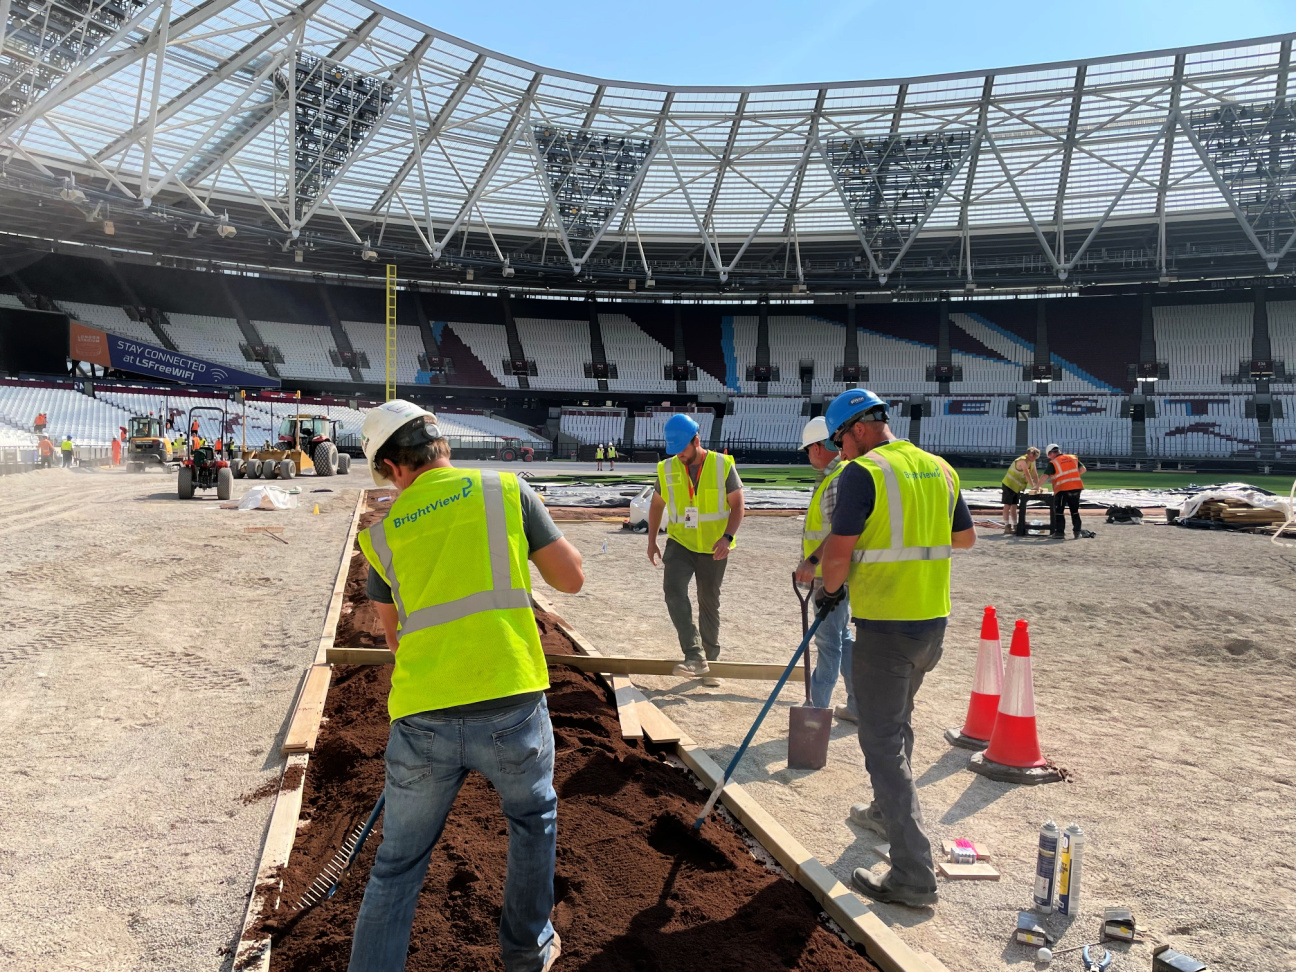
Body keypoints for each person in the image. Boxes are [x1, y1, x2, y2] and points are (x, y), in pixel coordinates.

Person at [348, 400, 584, 972]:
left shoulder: (382, 539)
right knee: (532, 823)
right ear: (441, 447)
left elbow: (396, 642)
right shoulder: (505, 490)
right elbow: (570, 580)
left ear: (390, 469)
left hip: (424, 716)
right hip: (511, 704)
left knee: (398, 863)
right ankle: (526, 951)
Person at [818, 389, 976, 909]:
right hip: (932, 624)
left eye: (840, 437)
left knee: (881, 745)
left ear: (859, 428)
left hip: (886, 628)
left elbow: (837, 558)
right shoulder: (940, 468)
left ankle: (912, 873)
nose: (839, 448)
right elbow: (964, 539)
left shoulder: (863, 473)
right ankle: (886, 814)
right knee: (898, 722)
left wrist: (832, 588)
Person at [646, 413, 744, 687]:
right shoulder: (666, 468)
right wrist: (651, 540)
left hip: (714, 546)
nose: (679, 455)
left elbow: (737, 505)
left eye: (683, 449)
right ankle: (694, 654)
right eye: (674, 450)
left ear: (697, 440)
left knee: (708, 602)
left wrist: (727, 537)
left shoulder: (722, 465)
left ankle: (710, 663)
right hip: (680, 543)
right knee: (673, 592)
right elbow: (656, 505)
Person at [793, 416, 857, 723]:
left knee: (827, 642)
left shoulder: (837, 480)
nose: (808, 457)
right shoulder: (835, 477)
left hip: (829, 574)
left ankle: (815, 712)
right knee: (842, 637)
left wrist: (812, 561)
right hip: (833, 572)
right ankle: (858, 704)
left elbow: (840, 531)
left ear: (819, 447)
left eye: (808, 450)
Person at [1042, 444, 1086, 539]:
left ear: (1051, 453)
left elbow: (1045, 476)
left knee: (1059, 511)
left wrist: (1036, 486)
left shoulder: (1053, 463)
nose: (1049, 458)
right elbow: (1083, 469)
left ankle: (1060, 533)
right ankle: (1077, 532)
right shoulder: (1073, 458)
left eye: (1049, 456)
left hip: (1062, 489)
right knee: (1074, 511)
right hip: (1076, 487)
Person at [1000, 447, 1041, 535]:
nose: (1034, 459)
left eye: (1035, 458)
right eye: (1033, 457)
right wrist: (1033, 486)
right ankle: (1007, 526)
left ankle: (1015, 525)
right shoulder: (1022, 461)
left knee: (1014, 506)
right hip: (1009, 485)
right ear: (1029, 455)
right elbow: (1027, 474)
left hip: (1017, 487)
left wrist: (1038, 486)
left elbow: (1035, 474)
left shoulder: (1032, 462)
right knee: (1007, 505)